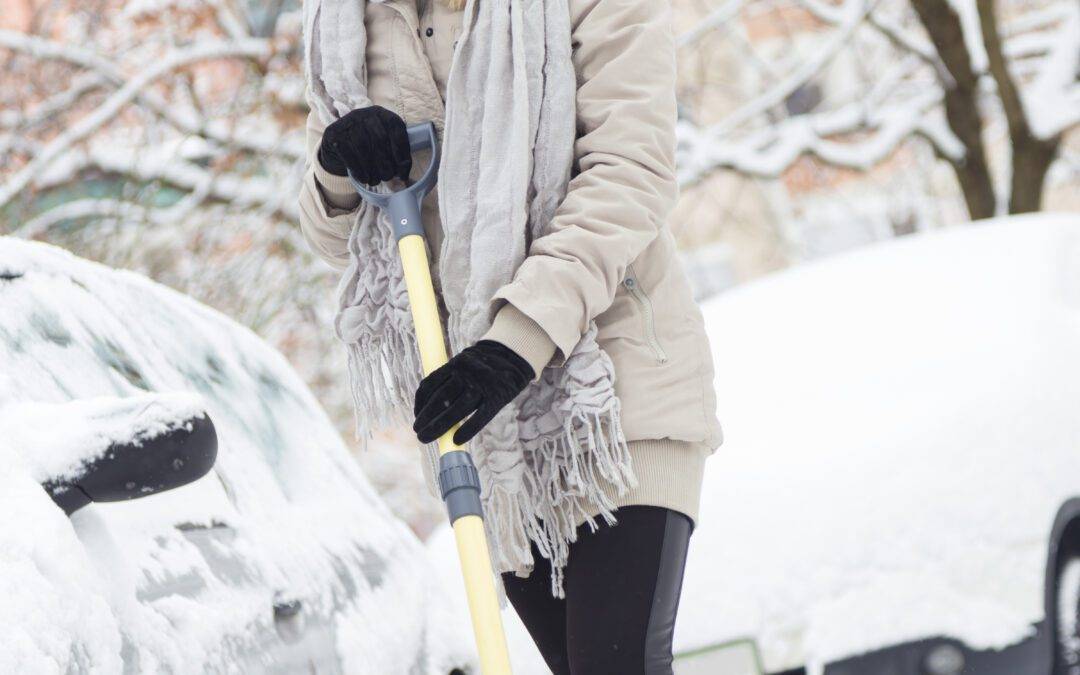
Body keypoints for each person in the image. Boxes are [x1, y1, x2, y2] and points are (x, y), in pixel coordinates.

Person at [298, 0, 722, 672]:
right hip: (486, 426)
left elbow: (629, 177)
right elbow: (332, 235)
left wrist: (514, 341)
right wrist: (336, 163)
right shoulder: (353, 23)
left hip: (613, 391)